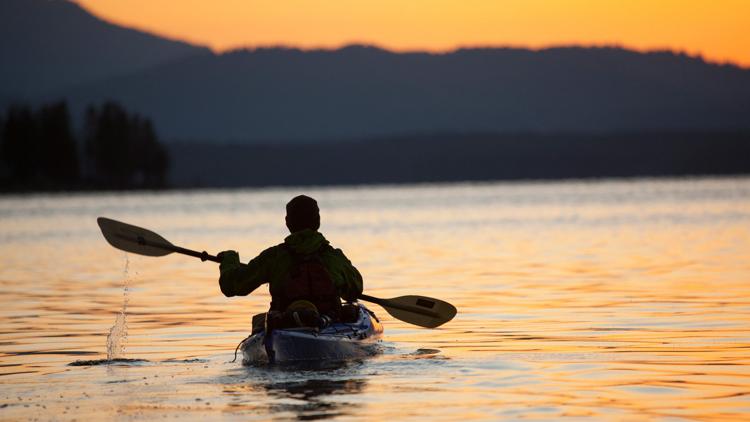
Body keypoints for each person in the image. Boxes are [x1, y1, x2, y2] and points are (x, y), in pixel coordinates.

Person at [217, 195, 363, 329]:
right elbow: (355, 291)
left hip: (285, 326)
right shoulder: (334, 258)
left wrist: (229, 260)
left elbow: (232, 285)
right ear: (318, 221)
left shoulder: (274, 258)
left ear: (287, 222)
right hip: (329, 323)